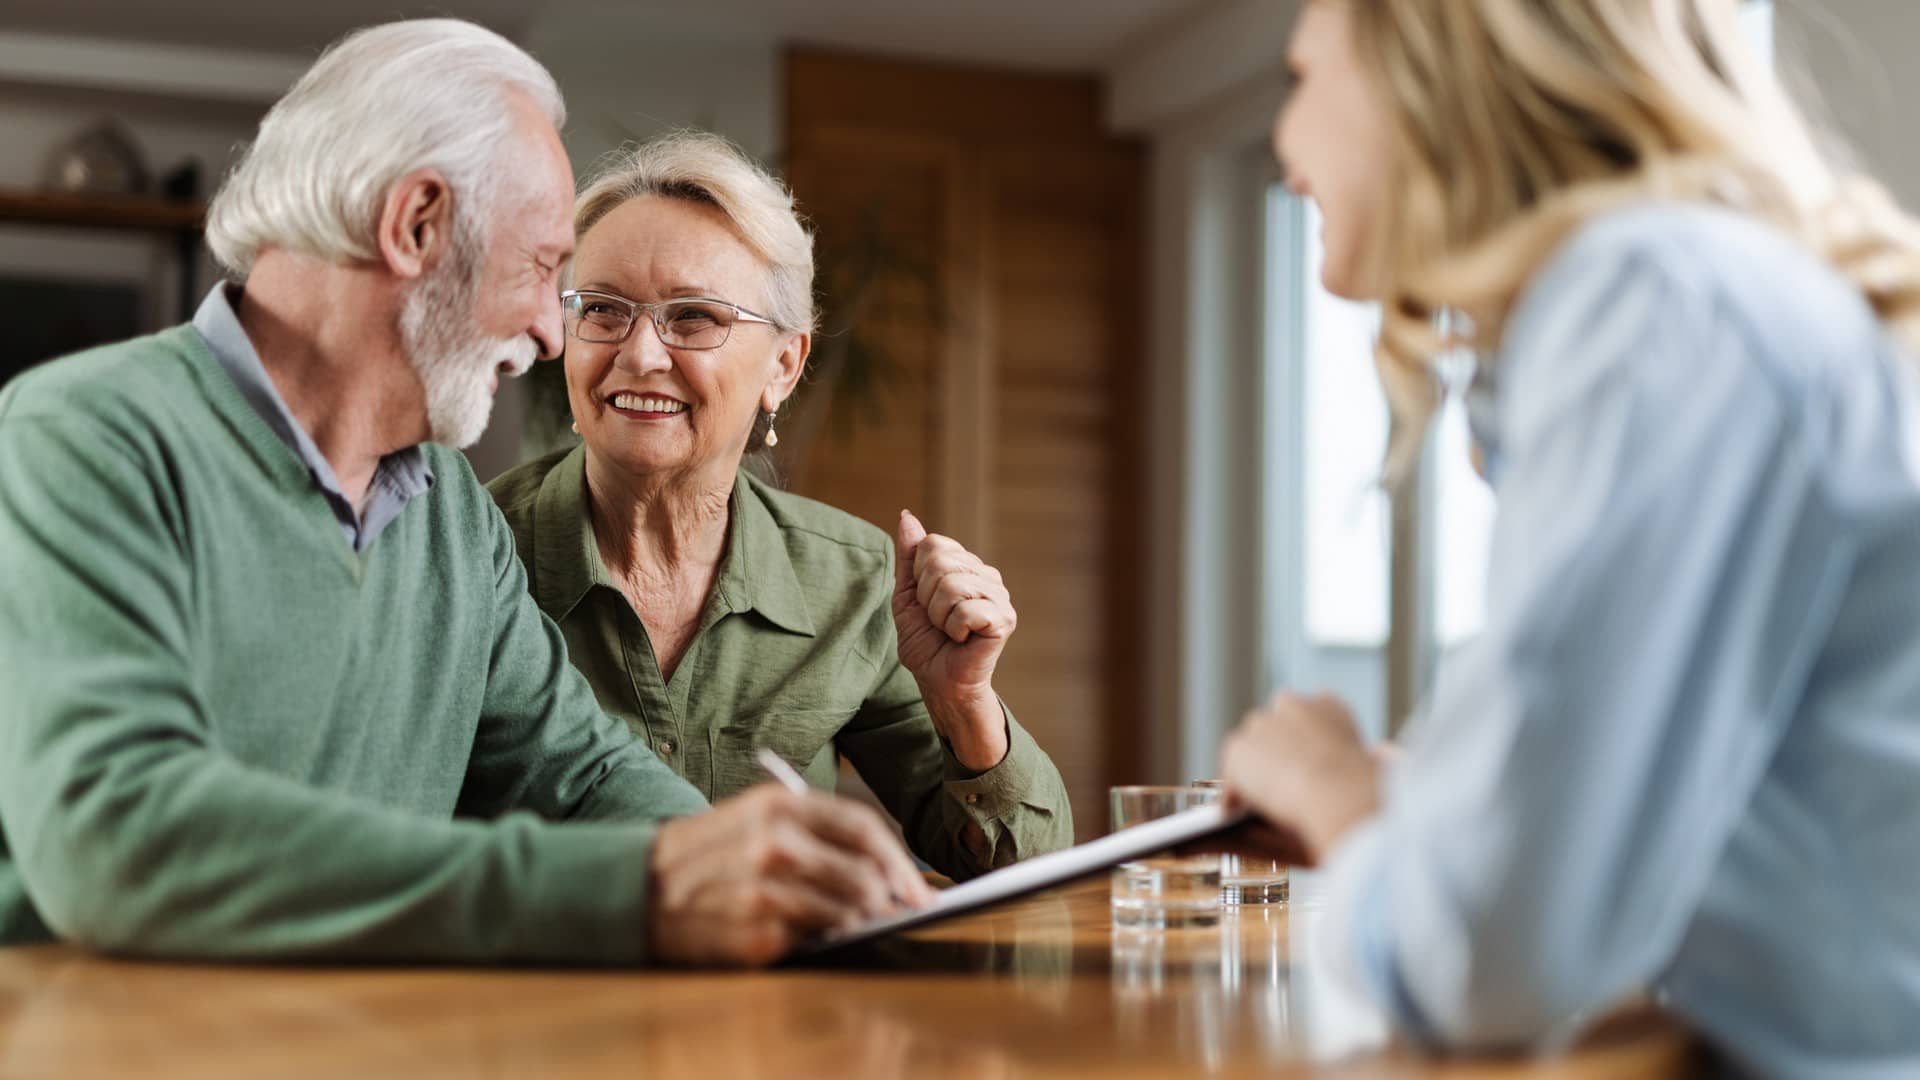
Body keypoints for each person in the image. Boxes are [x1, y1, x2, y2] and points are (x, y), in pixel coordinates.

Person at [0, 19, 932, 969]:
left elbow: (578, 774)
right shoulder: (84, 437)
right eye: (541, 271)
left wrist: (761, 881)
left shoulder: (449, 507)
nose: (551, 334)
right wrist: (642, 891)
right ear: (415, 226)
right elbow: (111, 832)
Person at [1218, 1, 1920, 1074]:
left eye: (1303, 75)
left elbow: (1490, 963)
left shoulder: (1655, 304)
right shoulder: (1683, 297)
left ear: (1428, 68)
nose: (1285, 141)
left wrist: (1338, 795)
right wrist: (1425, 807)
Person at [487, 132, 1073, 881]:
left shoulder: (854, 580)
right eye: (602, 309)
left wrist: (963, 699)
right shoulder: (472, 553)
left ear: (784, 366)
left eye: (694, 317)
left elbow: (1029, 867)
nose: (638, 355)